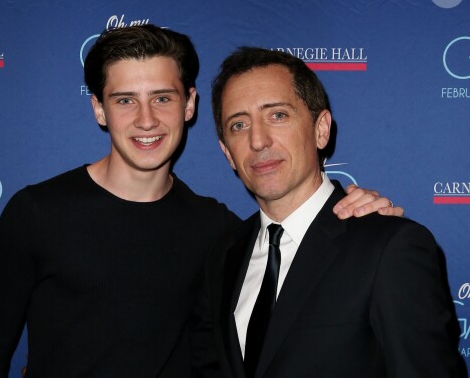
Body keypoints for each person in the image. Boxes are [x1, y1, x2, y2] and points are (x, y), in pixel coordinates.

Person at [0, 25, 400, 377]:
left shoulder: (220, 231)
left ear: (189, 104)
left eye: (163, 98)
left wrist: (356, 211)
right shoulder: (37, 213)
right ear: (99, 109)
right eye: (125, 100)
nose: (146, 119)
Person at [190, 47, 465, 377]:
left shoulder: (389, 247)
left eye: (277, 115)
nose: (258, 140)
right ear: (227, 153)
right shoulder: (223, 255)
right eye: (238, 125)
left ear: (321, 129)